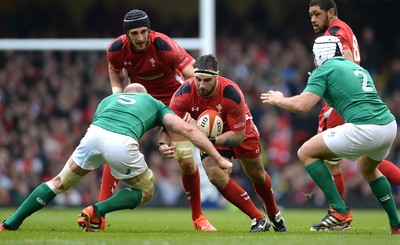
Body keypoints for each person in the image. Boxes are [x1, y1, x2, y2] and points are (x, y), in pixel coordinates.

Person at [0, 83, 232, 232]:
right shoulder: (152, 102)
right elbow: (188, 131)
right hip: (121, 143)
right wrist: (219, 159)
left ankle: (11, 223)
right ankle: (97, 210)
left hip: (93, 136)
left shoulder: (107, 101)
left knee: (58, 182)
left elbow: (105, 123)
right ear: (144, 95)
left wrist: (161, 142)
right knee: (146, 190)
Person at [260, 36, 400, 234]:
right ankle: (397, 226)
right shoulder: (358, 69)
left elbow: (302, 105)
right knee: (368, 169)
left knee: (305, 152)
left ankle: (339, 211)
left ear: (320, 55)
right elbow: (347, 100)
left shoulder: (324, 70)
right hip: (388, 126)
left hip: (365, 128)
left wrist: (278, 99)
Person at [97, 9, 218, 231]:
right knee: (114, 147)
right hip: (141, 103)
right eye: (135, 33)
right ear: (127, 35)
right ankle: (99, 215)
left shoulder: (163, 44)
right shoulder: (116, 49)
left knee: (186, 160)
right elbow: (115, 70)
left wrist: (203, 93)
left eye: (144, 31)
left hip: (174, 103)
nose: (141, 37)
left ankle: (198, 218)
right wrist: (117, 95)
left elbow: (191, 72)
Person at [158, 54, 287, 232]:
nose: (201, 85)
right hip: (210, 135)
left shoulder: (231, 94)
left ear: (217, 78)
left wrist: (210, 140)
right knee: (214, 174)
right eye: (198, 79)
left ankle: (273, 212)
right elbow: (167, 124)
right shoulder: (183, 94)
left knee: (256, 174)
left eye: (207, 80)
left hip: (239, 130)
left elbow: (238, 136)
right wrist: (162, 144)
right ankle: (258, 218)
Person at [309, 0, 400, 229]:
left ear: (331, 12)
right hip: (354, 103)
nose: (312, 19)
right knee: (368, 165)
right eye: (310, 14)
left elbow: (347, 62)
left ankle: (338, 215)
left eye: (317, 14)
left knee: (322, 159)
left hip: (342, 102)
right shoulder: (344, 28)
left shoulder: (335, 33)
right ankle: (389, 223)